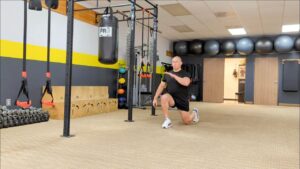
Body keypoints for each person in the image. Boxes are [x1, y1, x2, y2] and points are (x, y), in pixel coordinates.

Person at [153, 56, 199, 129]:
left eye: (176, 61)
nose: (174, 63)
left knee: (187, 121)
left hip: (182, 99)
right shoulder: (167, 74)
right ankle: (167, 120)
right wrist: (155, 98)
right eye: (173, 62)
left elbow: (186, 83)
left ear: (181, 63)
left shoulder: (185, 73)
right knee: (164, 97)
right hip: (171, 98)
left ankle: (195, 112)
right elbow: (161, 86)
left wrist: (174, 76)